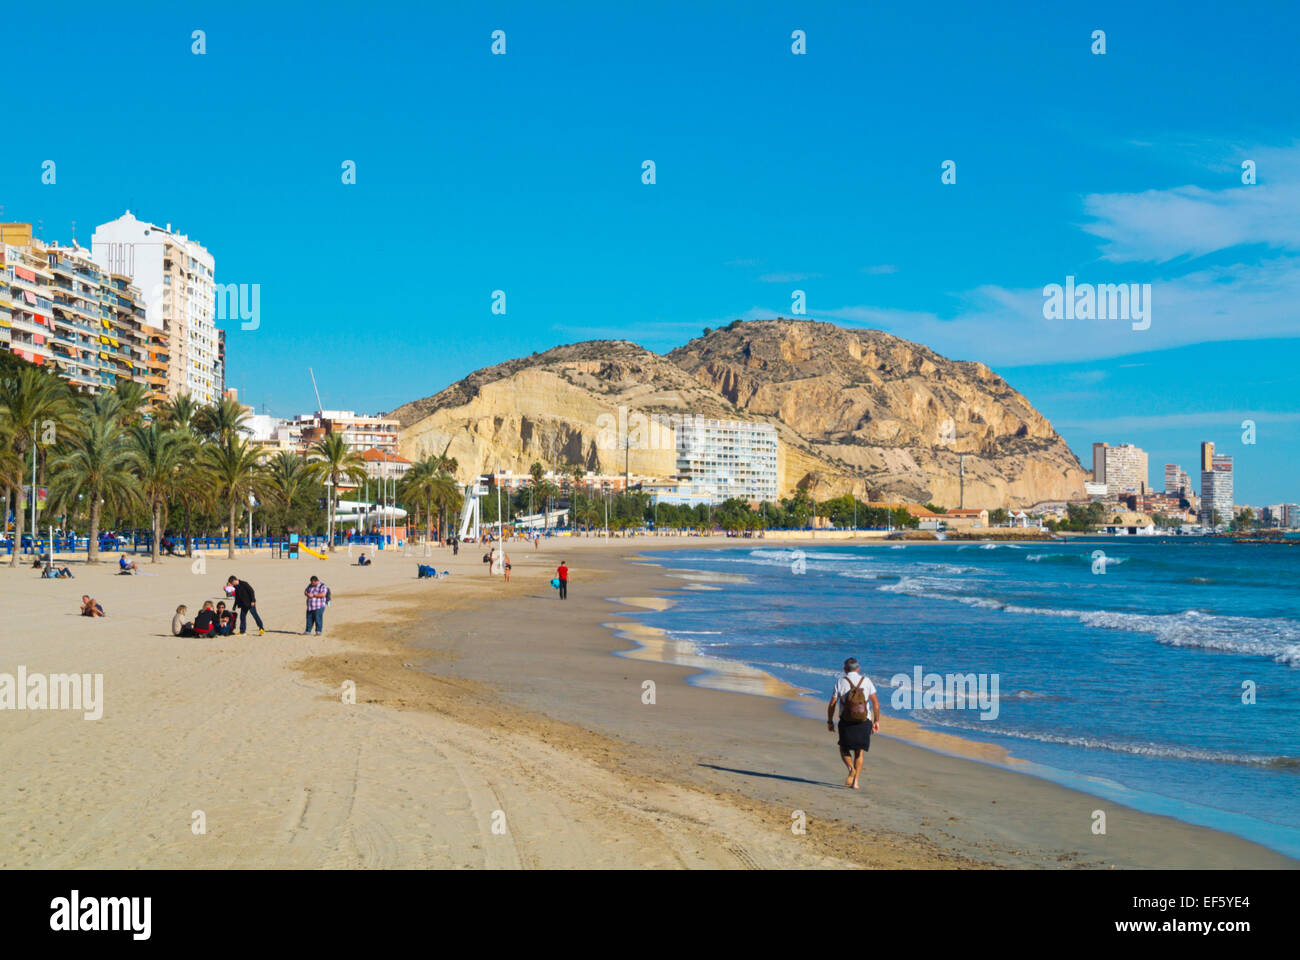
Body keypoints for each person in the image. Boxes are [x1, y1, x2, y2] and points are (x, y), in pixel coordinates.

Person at [827, 657, 881, 790]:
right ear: (858, 669)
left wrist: (830, 721)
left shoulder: (841, 681)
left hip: (846, 721)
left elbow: (832, 703)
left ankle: (851, 769)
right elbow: (875, 703)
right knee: (859, 752)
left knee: (843, 747)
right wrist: (876, 721)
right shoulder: (866, 681)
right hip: (864, 721)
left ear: (845, 669)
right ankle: (855, 782)